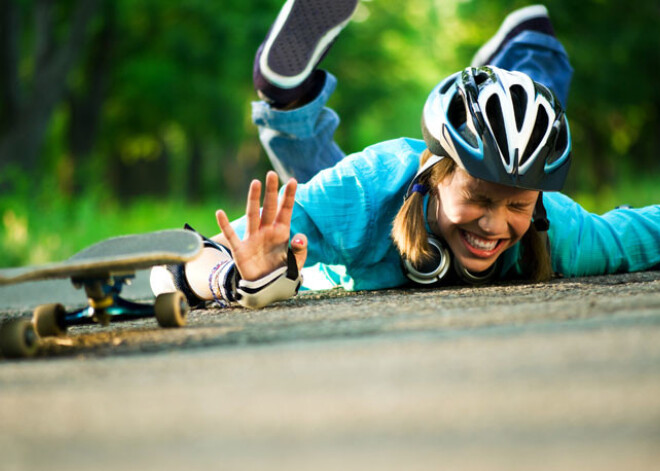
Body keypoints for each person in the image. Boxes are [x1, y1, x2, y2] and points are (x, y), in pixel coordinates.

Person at [151, 1, 660, 310]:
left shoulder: (557, 231)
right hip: (367, 221)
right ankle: (289, 103)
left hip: (374, 220)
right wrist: (240, 278)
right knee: (318, 200)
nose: (494, 225)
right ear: (434, 173)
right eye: (480, 198)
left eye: (518, 206)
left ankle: (529, 49)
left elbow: (642, 233)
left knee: (532, 115)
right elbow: (200, 260)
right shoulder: (368, 189)